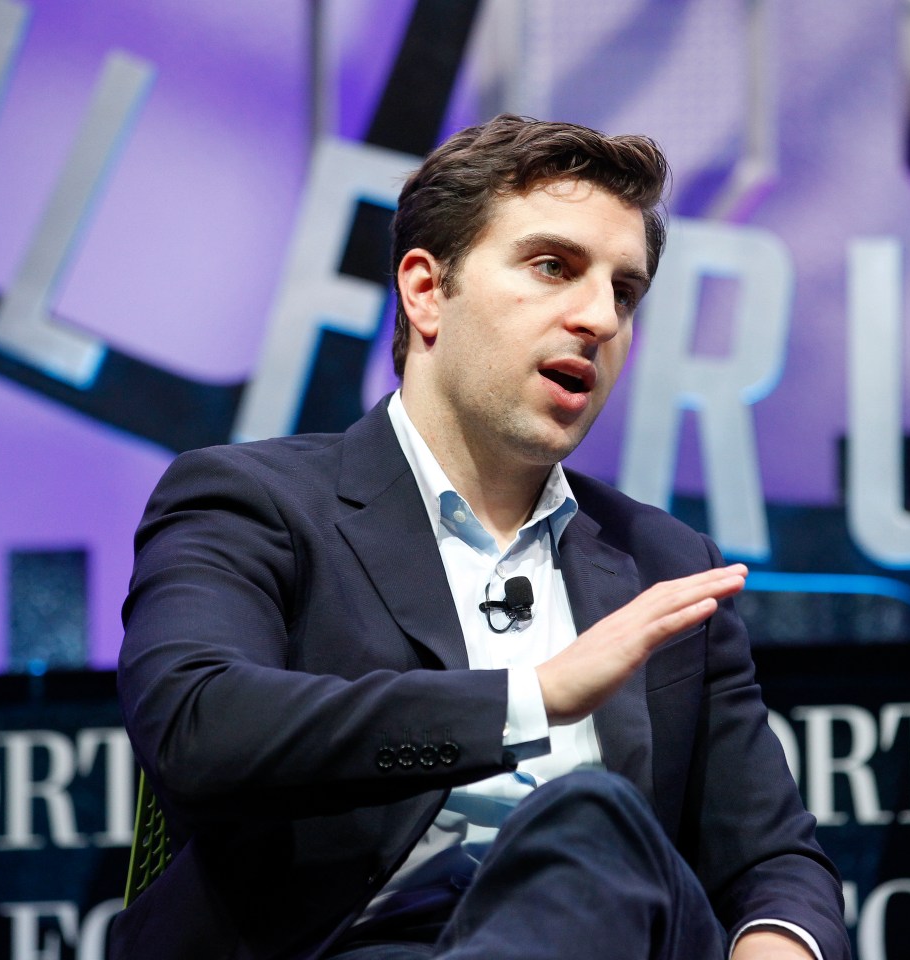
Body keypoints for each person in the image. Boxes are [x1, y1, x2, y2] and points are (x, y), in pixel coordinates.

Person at [113, 115, 849, 960]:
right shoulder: (255, 501)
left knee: (591, 830)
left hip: (610, 930)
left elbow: (775, 858)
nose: (600, 319)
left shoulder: (665, 566)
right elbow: (200, 725)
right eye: (553, 267)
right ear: (427, 290)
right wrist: (532, 698)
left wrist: (778, 944)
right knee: (588, 822)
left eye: (625, 291)